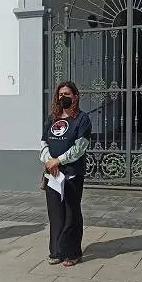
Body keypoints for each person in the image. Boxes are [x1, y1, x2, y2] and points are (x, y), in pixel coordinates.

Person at [40, 81, 92, 267]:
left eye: (67, 94)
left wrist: (58, 160)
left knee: (72, 214)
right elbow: (44, 143)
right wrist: (48, 160)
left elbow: (79, 148)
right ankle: (56, 251)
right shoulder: (52, 118)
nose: (63, 97)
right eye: (60, 94)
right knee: (55, 214)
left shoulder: (82, 119)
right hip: (52, 175)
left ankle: (73, 252)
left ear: (75, 96)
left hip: (72, 174)